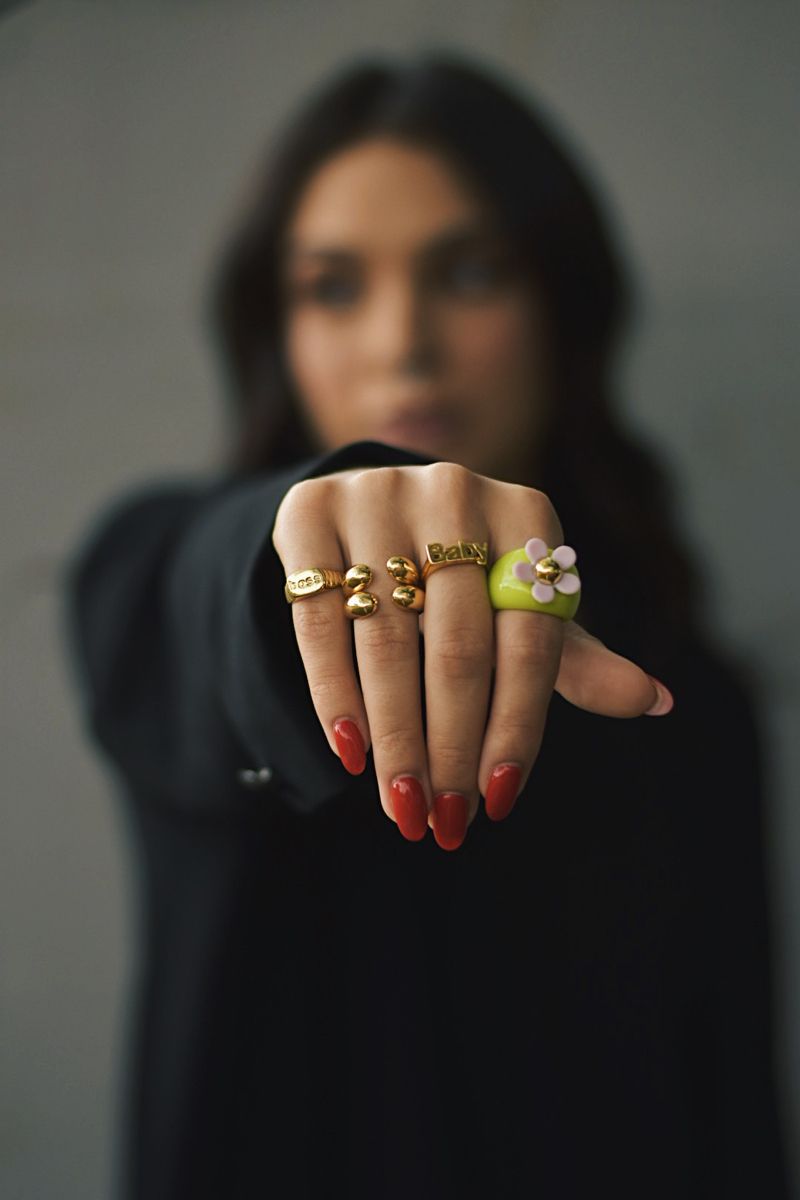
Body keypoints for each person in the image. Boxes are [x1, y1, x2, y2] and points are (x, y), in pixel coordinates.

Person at [63, 52, 790, 1200]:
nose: (403, 341)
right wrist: (297, 558)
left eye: (470, 272)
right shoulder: (165, 577)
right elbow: (209, 618)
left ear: (559, 306)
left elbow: (730, 1116)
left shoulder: (681, 702)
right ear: (274, 331)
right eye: (332, 287)